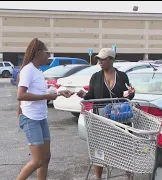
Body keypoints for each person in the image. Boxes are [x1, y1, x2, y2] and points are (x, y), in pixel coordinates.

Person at [16, 38, 74, 180]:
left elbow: (41, 92)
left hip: (41, 118)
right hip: (30, 119)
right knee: (37, 161)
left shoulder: (38, 71)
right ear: (38, 53)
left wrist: (58, 92)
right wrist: (47, 96)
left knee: (46, 157)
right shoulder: (28, 70)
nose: (49, 56)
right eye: (47, 53)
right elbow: (21, 95)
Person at [76, 48, 135, 180]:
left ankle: (128, 175)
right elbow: (90, 96)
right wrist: (84, 95)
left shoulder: (122, 76)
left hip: (120, 118)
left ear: (111, 59)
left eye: (103, 59)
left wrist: (131, 93)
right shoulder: (96, 77)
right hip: (100, 119)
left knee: (124, 147)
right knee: (99, 148)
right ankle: (98, 177)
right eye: (99, 59)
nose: (100, 62)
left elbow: (127, 96)